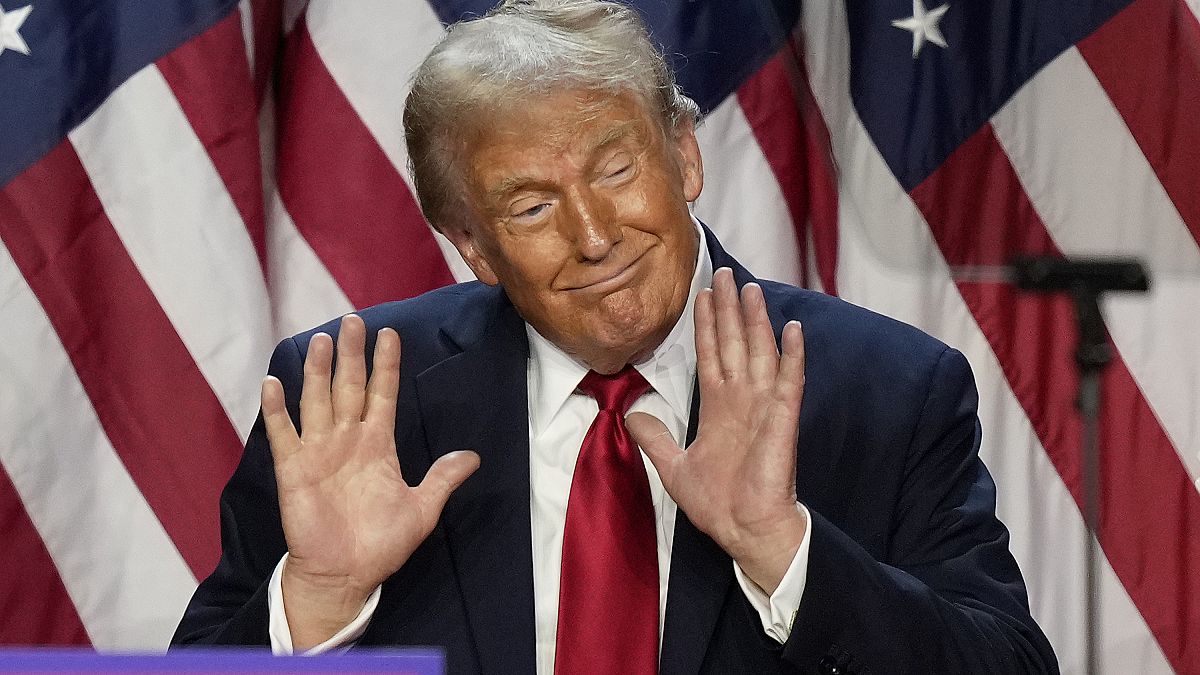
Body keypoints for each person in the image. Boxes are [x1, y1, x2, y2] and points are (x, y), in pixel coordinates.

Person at [173, 1, 1058, 673]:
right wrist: (320, 597)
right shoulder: (358, 396)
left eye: (617, 168)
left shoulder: (885, 388)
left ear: (685, 155)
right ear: (472, 245)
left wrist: (785, 547)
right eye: (531, 207)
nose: (594, 235)